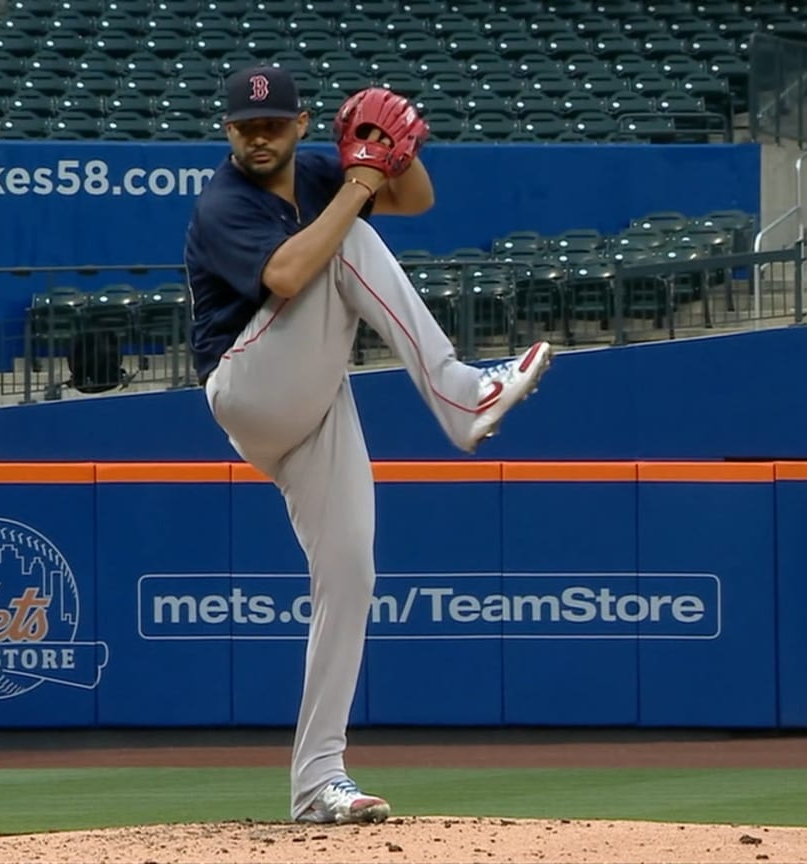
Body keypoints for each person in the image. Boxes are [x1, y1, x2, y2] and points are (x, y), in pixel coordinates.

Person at [183, 66, 553, 825]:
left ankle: (319, 783)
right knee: (345, 239)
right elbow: (286, 274)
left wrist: (393, 156)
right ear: (227, 131)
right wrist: (358, 187)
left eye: (274, 123)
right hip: (249, 384)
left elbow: (417, 198)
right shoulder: (223, 202)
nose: (259, 136)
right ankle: (456, 391)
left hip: (312, 400)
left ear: (300, 124)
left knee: (350, 572)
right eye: (246, 126)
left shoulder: (318, 169)